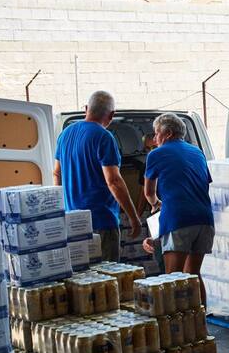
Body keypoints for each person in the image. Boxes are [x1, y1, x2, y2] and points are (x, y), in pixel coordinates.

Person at [54, 91, 140, 262]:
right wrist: (134, 217)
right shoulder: (104, 137)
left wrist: (62, 209)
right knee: (107, 275)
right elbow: (113, 181)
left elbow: (57, 173)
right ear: (111, 115)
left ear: (86, 109)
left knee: (82, 276)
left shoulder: (65, 134)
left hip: (73, 222)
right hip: (101, 222)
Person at [143, 112, 214, 304]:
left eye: (156, 133)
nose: (155, 139)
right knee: (193, 275)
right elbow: (204, 185)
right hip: (205, 219)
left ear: (167, 134)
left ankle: (176, 323)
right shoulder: (197, 152)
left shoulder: (156, 154)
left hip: (179, 219)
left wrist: (156, 204)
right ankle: (200, 320)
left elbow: (148, 192)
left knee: (173, 279)